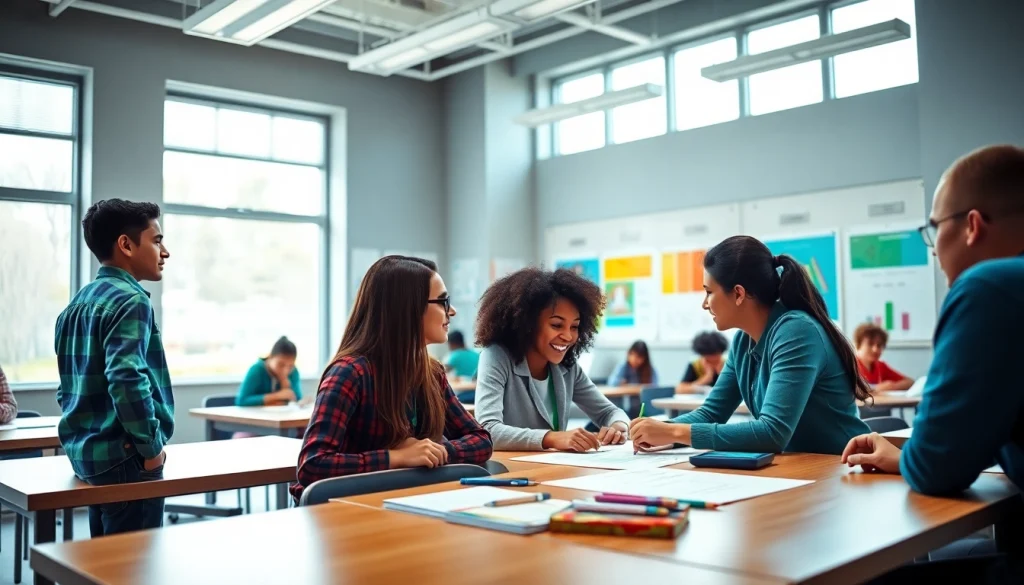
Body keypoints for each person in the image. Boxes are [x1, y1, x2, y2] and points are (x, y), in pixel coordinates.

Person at [842, 145, 1024, 584]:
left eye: (934, 228)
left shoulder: (987, 288)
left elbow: (936, 471)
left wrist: (912, 456)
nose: (933, 249)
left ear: (972, 226)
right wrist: (909, 451)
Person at [630, 235, 870, 455]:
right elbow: (711, 413)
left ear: (738, 293)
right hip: (798, 470)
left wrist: (671, 433)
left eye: (709, 292)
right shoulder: (743, 341)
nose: (705, 304)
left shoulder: (796, 331)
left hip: (842, 468)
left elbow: (772, 432)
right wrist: (656, 429)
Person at [291, 256, 491, 500]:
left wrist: (430, 452)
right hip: (346, 515)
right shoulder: (349, 373)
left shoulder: (432, 373)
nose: (452, 310)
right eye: (442, 301)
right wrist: (395, 457)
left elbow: (481, 440)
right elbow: (313, 465)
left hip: (403, 503)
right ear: (407, 308)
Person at [54, 199, 174, 537]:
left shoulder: (75, 305)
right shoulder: (132, 300)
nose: (165, 252)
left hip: (89, 459)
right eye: (157, 240)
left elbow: (67, 388)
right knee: (131, 569)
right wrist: (152, 452)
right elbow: (126, 380)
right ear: (126, 244)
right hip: (128, 461)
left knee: (104, 564)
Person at [474, 267, 630, 452]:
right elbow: (488, 430)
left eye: (574, 327)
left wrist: (619, 426)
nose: (568, 336)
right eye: (557, 325)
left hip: (553, 469)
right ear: (528, 323)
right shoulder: (497, 357)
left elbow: (609, 412)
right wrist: (551, 438)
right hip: (509, 471)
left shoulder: (568, 367)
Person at [236, 337, 302, 407]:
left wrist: (287, 387)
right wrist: (277, 396)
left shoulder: (294, 372)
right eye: (280, 364)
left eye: (290, 366)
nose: (285, 371)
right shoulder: (257, 369)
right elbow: (241, 401)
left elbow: (298, 400)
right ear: (270, 357)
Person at [853, 323, 914, 391]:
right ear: (859, 344)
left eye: (879, 345)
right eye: (870, 344)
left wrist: (893, 386)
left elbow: (910, 382)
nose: (875, 349)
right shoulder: (850, 365)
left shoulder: (881, 366)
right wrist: (875, 388)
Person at [444, 330, 479, 403]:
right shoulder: (476, 354)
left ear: (452, 343)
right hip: (477, 392)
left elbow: (441, 371)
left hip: (463, 393)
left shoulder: (455, 355)